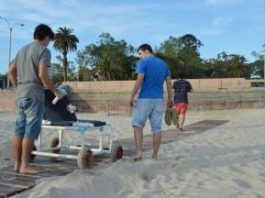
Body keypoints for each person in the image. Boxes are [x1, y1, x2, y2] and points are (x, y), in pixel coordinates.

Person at [8, 24, 63, 174]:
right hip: (34, 93)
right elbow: (42, 74)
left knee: (19, 130)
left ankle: (17, 163)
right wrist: (55, 91)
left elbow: (11, 72)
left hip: (21, 94)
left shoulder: (22, 50)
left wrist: (17, 87)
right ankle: (25, 165)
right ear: (46, 37)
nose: (49, 43)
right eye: (49, 40)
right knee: (30, 131)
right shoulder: (44, 51)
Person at [129, 43, 173, 160]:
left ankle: (139, 153)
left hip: (145, 99)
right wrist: (171, 99)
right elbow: (169, 83)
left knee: (138, 126)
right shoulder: (163, 64)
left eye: (140, 53)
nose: (140, 56)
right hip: (159, 100)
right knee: (157, 129)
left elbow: (139, 80)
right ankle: (154, 156)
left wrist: (132, 96)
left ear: (146, 51)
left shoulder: (143, 63)